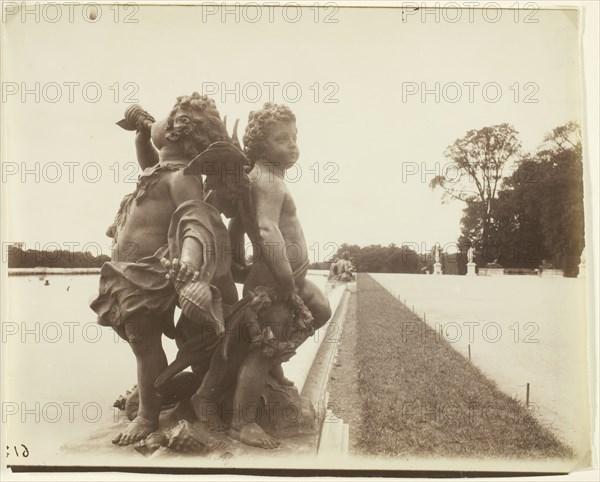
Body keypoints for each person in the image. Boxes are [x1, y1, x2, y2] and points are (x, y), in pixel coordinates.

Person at [90, 93, 236, 446]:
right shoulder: (162, 169)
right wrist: (141, 135)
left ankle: (147, 418)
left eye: (166, 117)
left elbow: (194, 220)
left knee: (144, 343)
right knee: (140, 341)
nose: (156, 121)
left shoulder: (184, 177)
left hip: (152, 275)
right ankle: (158, 395)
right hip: (128, 273)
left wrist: (188, 261)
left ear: (175, 132)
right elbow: (147, 164)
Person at [192, 103, 332, 448]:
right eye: (281, 138)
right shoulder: (267, 180)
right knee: (262, 351)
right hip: (275, 284)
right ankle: (242, 423)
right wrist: (284, 281)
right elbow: (268, 230)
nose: (292, 144)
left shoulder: (255, 179)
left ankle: (270, 369)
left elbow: (239, 225)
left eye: (294, 137)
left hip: (279, 279)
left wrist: (241, 263)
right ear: (258, 146)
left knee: (322, 310)